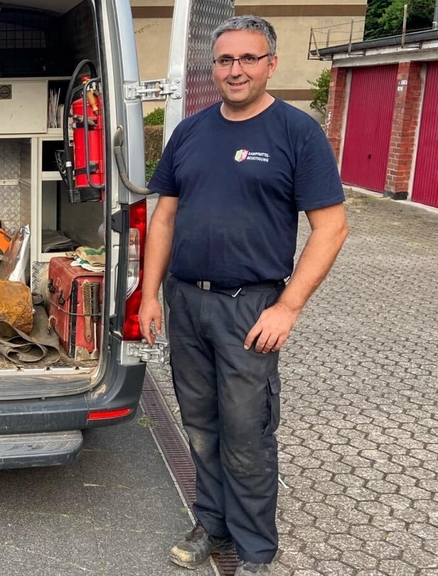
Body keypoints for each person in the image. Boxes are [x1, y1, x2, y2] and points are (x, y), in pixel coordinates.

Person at [139, 15, 349, 576]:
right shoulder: (189, 132)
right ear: (214, 67)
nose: (236, 70)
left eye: (249, 58)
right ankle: (213, 523)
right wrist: (149, 295)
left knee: (246, 431)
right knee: (199, 423)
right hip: (186, 302)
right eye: (226, 60)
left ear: (270, 64)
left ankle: (255, 549)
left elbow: (331, 228)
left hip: (250, 308)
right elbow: (164, 219)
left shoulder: (297, 133)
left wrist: (288, 307)